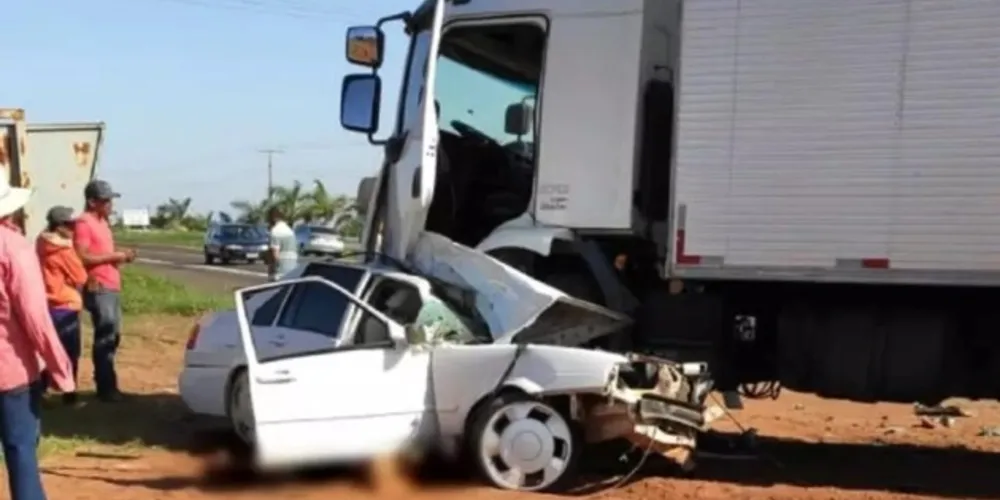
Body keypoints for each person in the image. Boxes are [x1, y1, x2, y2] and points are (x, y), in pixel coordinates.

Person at [0, 180, 75, 500]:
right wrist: (61, 371)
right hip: (10, 372)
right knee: (21, 451)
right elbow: (35, 317)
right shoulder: (13, 246)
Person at [73, 180, 135, 403]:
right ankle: (106, 386)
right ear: (92, 202)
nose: (110, 204)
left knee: (113, 335)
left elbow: (100, 253)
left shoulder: (103, 223)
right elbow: (81, 256)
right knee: (106, 336)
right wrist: (114, 257)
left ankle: (106, 381)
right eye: (105, 201)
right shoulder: (84, 223)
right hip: (99, 286)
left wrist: (120, 256)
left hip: (111, 284)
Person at [36, 206, 88, 406]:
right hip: (65, 305)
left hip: (46, 304)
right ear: (59, 227)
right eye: (70, 225)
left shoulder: (40, 244)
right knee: (69, 352)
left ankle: (42, 389)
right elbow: (80, 276)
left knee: (46, 349)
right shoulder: (64, 250)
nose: (74, 228)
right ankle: (69, 394)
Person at [265, 206, 297, 281]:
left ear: (273, 218)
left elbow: (275, 255)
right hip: (292, 268)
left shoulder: (275, 231)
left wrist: (271, 269)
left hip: (280, 271)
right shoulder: (290, 230)